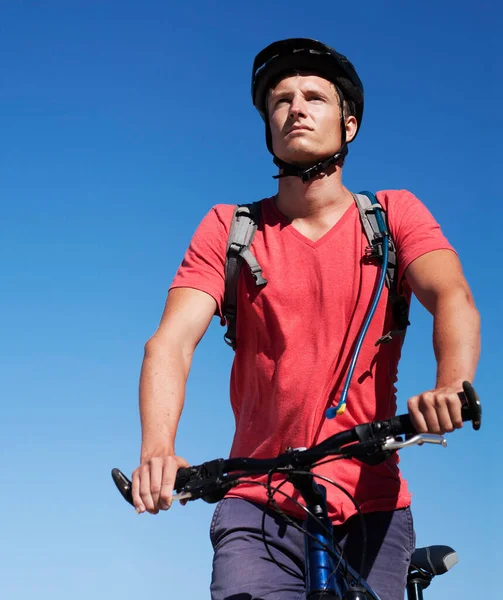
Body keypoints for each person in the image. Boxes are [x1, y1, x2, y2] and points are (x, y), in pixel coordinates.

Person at [131, 38, 481, 600]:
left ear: (349, 125)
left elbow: (451, 296)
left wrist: (450, 384)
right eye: (281, 100)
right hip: (257, 502)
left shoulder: (392, 216)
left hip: (371, 499)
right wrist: (157, 449)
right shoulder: (230, 229)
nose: (295, 107)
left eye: (314, 97)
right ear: (267, 126)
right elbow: (170, 344)